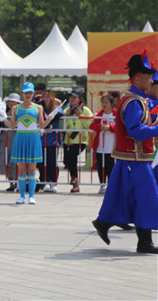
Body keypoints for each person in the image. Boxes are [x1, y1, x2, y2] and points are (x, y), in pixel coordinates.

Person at [92, 52, 158, 254]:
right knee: (147, 198)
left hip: (136, 158)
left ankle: (105, 222)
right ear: (138, 78)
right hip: (136, 159)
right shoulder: (133, 102)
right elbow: (135, 130)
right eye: (149, 77)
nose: (151, 81)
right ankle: (144, 242)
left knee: (131, 197)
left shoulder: (136, 99)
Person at [7, 82, 52, 204]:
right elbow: (12, 126)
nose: (28, 94)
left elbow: (42, 125)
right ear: (22, 93)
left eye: (30, 92)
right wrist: (1, 118)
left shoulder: (38, 108)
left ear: (33, 94)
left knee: (32, 170)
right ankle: (22, 196)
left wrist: (50, 118)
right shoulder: (16, 108)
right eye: (26, 92)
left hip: (33, 138)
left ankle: (31, 196)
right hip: (21, 137)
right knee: (22, 170)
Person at [63, 89, 93, 193]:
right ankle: (74, 182)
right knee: (68, 160)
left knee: (72, 156)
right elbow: (63, 127)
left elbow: (89, 125)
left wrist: (81, 115)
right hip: (68, 140)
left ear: (79, 99)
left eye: (74, 97)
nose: (72, 99)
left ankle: (75, 180)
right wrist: (66, 116)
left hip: (81, 140)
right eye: (71, 97)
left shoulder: (85, 110)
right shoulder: (67, 110)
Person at [90, 94, 116, 194]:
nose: (104, 104)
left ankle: (111, 186)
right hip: (101, 145)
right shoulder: (99, 114)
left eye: (106, 102)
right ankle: (102, 184)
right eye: (103, 102)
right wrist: (100, 127)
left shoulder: (116, 114)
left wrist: (111, 127)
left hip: (113, 146)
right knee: (101, 166)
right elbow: (92, 125)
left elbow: (121, 127)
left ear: (112, 104)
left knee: (111, 166)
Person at [38, 90, 63, 193]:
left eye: (48, 97)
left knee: (52, 162)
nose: (45, 99)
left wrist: (52, 98)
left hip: (53, 140)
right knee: (41, 163)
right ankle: (43, 181)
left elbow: (60, 105)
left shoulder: (57, 110)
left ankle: (53, 182)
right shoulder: (39, 109)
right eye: (44, 97)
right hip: (41, 140)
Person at [0, 93, 21, 191]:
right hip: (5, 138)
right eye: (9, 101)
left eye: (13, 101)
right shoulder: (4, 112)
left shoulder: (19, 113)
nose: (11, 103)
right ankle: (11, 183)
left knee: (14, 160)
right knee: (5, 158)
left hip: (15, 137)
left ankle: (16, 182)